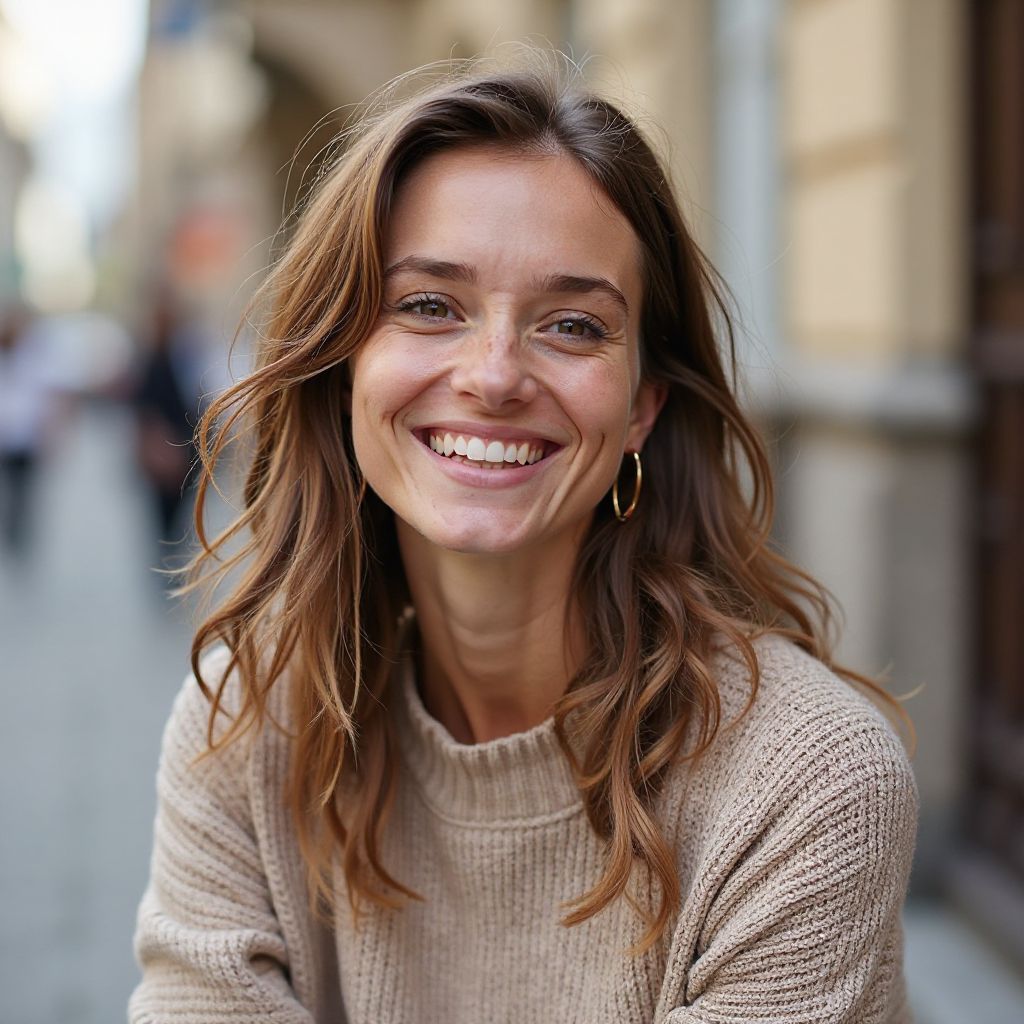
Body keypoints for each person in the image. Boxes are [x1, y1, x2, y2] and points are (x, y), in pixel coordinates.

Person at [130, 55, 917, 1023]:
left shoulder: (806, 780)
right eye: (428, 305)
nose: (494, 374)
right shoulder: (244, 731)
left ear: (641, 408)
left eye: (574, 325)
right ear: (342, 370)